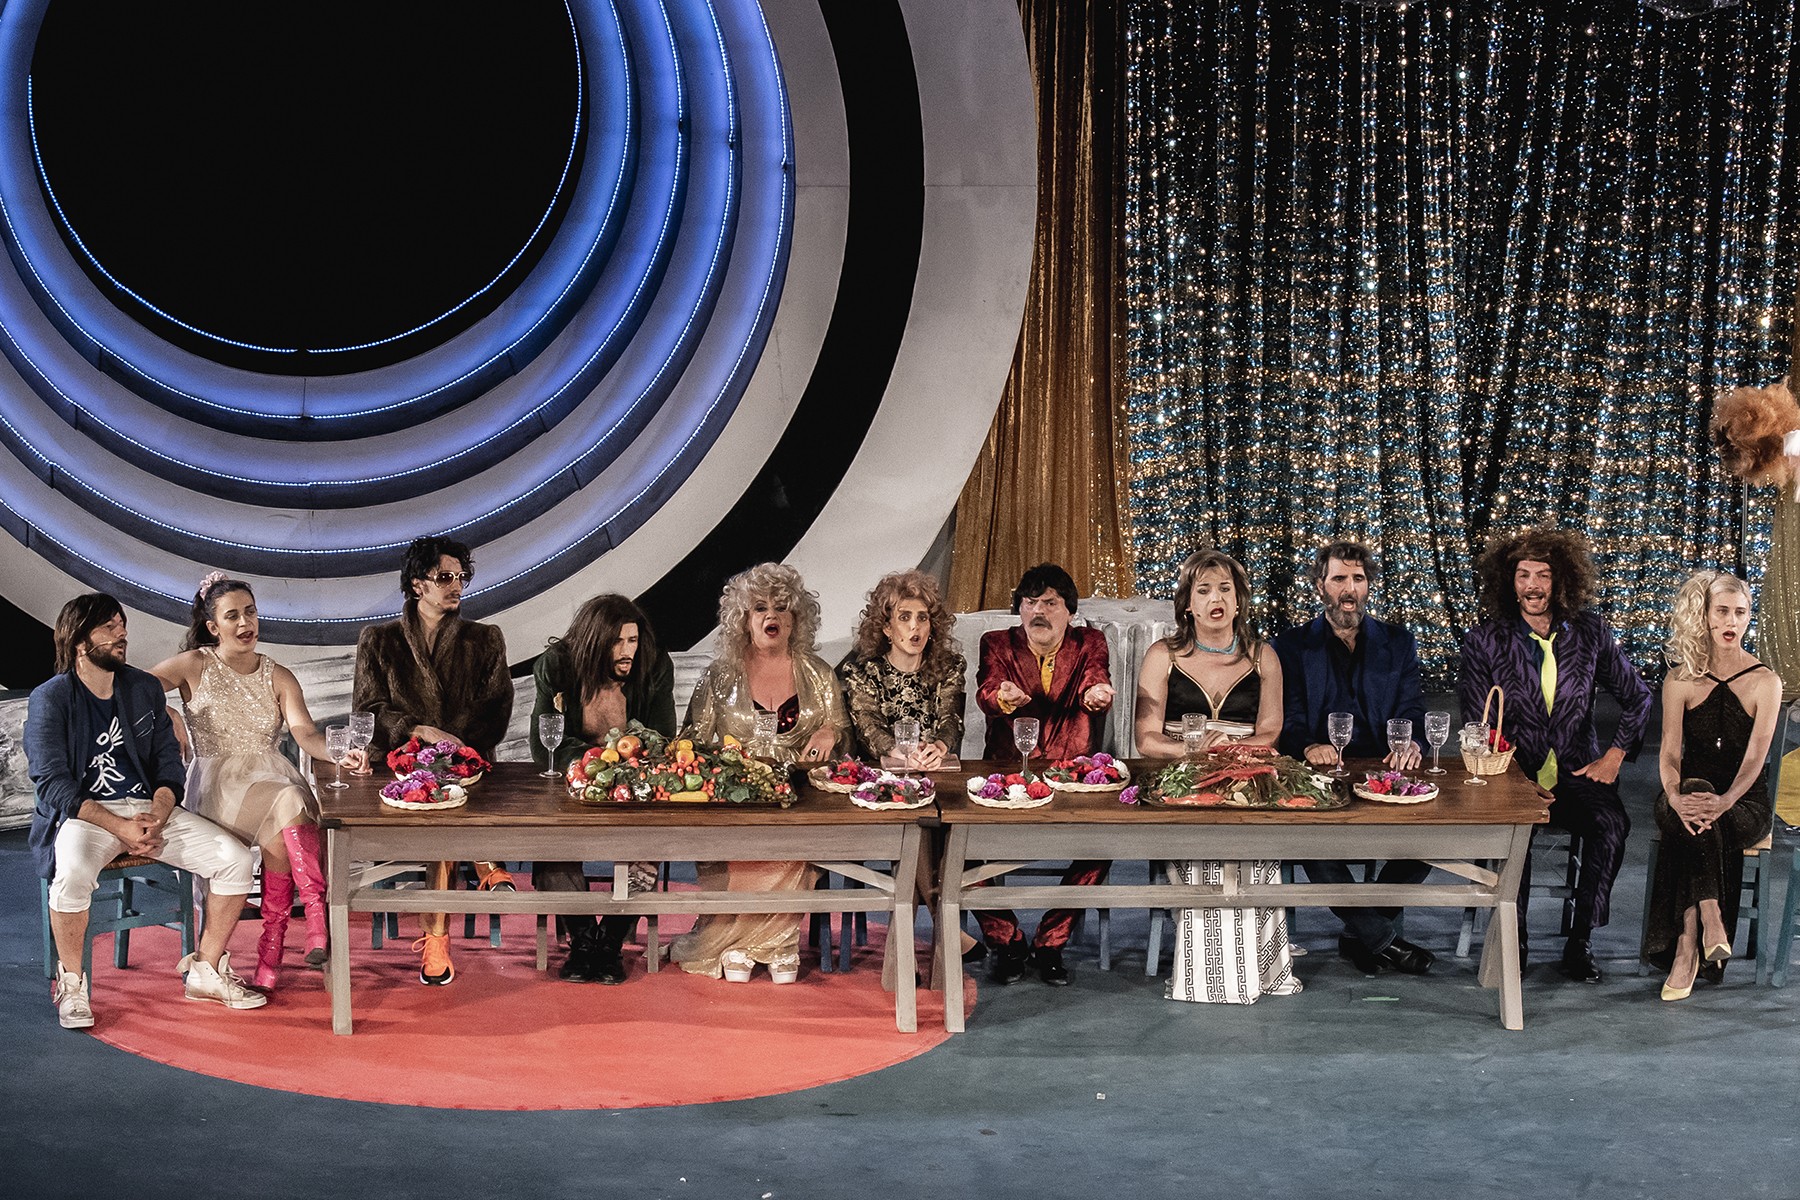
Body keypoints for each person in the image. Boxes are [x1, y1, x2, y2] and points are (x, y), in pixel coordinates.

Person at [29, 594, 266, 1027]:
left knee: (235, 859)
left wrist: (157, 815)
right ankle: (73, 985)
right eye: (109, 627)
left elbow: (168, 765)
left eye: (122, 624)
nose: (122, 634)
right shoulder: (52, 698)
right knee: (72, 875)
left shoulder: (142, 688)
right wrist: (118, 826)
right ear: (80, 641)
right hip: (88, 815)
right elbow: (52, 783)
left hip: (148, 811)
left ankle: (205, 971)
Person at [150, 574, 365, 990]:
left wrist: (340, 753)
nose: (245, 623)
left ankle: (272, 956)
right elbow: (132, 688)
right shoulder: (194, 664)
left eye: (250, 612)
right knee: (289, 801)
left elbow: (305, 733)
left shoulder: (278, 674)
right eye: (232, 616)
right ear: (213, 626)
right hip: (219, 786)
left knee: (283, 815)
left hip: (269, 781)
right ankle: (311, 923)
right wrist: (169, 712)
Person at [1458, 527, 1652, 983]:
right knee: (1516, 833)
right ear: (1509, 582)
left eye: (1543, 575)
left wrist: (1614, 755)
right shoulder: (1486, 639)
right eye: (1523, 575)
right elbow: (1476, 724)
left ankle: (1580, 940)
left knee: (1611, 826)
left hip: (1577, 772)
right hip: (1512, 775)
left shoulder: (1590, 632)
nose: (1533, 585)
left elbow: (1638, 697)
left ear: (1561, 580)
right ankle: (1516, 938)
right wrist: (1515, 782)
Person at [1134, 548, 1301, 1004]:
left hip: (1247, 773)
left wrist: (1233, 755)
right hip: (1180, 777)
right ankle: (1207, 972)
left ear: (1240, 599)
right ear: (1187, 603)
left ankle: (1259, 968)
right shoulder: (1162, 656)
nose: (1216, 599)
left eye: (1225, 589)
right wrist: (1194, 752)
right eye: (1204, 590)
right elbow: (1146, 740)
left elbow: (1270, 732)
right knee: (1203, 854)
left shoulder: (1263, 657)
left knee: (1253, 852)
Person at [673, 563, 848, 983]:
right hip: (734, 796)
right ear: (743, 620)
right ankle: (743, 943)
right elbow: (691, 739)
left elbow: (841, 734)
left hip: (799, 796)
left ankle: (773, 943)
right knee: (742, 835)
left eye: (781, 607)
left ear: (796, 618)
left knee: (791, 833)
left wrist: (829, 732)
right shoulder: (718, 675)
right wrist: (731, 761)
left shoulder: (819, 673)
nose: (772, 616)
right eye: (760, 608)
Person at [353, 534, 514, 985]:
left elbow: (496, 709)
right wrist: (419, 731)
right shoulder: (379, 640)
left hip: (467, 768)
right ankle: (486, 863)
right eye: (444, 577)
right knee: (437, 802)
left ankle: (437, 941)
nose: (456, 585)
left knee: (448, 800)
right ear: (416, 584)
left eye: (461, 577)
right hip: (402, 770)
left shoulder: (484, 638)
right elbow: (367, 711)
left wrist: (453, 749)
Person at [1271, 541, 1434, 976]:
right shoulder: (1291, 645)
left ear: (1368, 586)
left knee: (1429, 841)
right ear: (1320, 585)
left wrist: (1413, 742)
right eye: (1339, 578)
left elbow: (1412, 707)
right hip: (1320, 772)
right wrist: (1307, 745)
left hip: (1384, 770)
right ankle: (1382, 939)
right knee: (1310, 843)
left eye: (1358, 579)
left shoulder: (1398, 642)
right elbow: (1287, 715)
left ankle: (1362, 932)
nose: (1349, 588)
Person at [973, 562, 1115, 987]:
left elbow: (1096, 680)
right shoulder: (996, 642)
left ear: (1069, 611)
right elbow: (987, 690)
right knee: (957, 851)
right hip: (1006, 780)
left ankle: (1051, 941)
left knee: (1101, 848)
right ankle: (1007, 941)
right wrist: (1002, 696)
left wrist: (1097, 695)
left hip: (1071, 780)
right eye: (1030, 602)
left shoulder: (1090, 642)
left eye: (1050, 603)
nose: (1038, 611)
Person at [1644, 570, 1779, 1001]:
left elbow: (1755, 760)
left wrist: (1725, 801)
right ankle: (1711, 918)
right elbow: (1669, 754)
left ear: (1749, 617)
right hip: (1685, 795)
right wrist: (1673, 795)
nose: (1731, 621)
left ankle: (1686, 948)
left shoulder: (1765, 681)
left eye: (1740, 612)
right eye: (1722, 611)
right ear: (1704, 615)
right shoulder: (1680, 679)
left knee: (1694, 825)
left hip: (1744, 802)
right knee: (1691, 803)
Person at [529, 593, 676, 983]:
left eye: (632, 640)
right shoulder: (558, 666)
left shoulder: (654, 665)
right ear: (594, 641)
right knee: (550, 845)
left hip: (634, 788)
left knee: (647, 848)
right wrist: (601, 761)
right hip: (573, 787)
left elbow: (662, 739)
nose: (627, 651)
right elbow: (544, 746)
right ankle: (582, 942)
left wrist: (617, 767)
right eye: (617, 642)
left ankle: (609, 943)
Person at [837, 569, 965, 769]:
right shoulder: (864, 673)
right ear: (887, 628)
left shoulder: (948, 667)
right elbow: (869, 726)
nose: (915, 626)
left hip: (934, 769)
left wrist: (939, 747)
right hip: (881, 776)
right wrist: (898, 751)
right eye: (904, 617)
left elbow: (951, 717)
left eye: (922, 618)